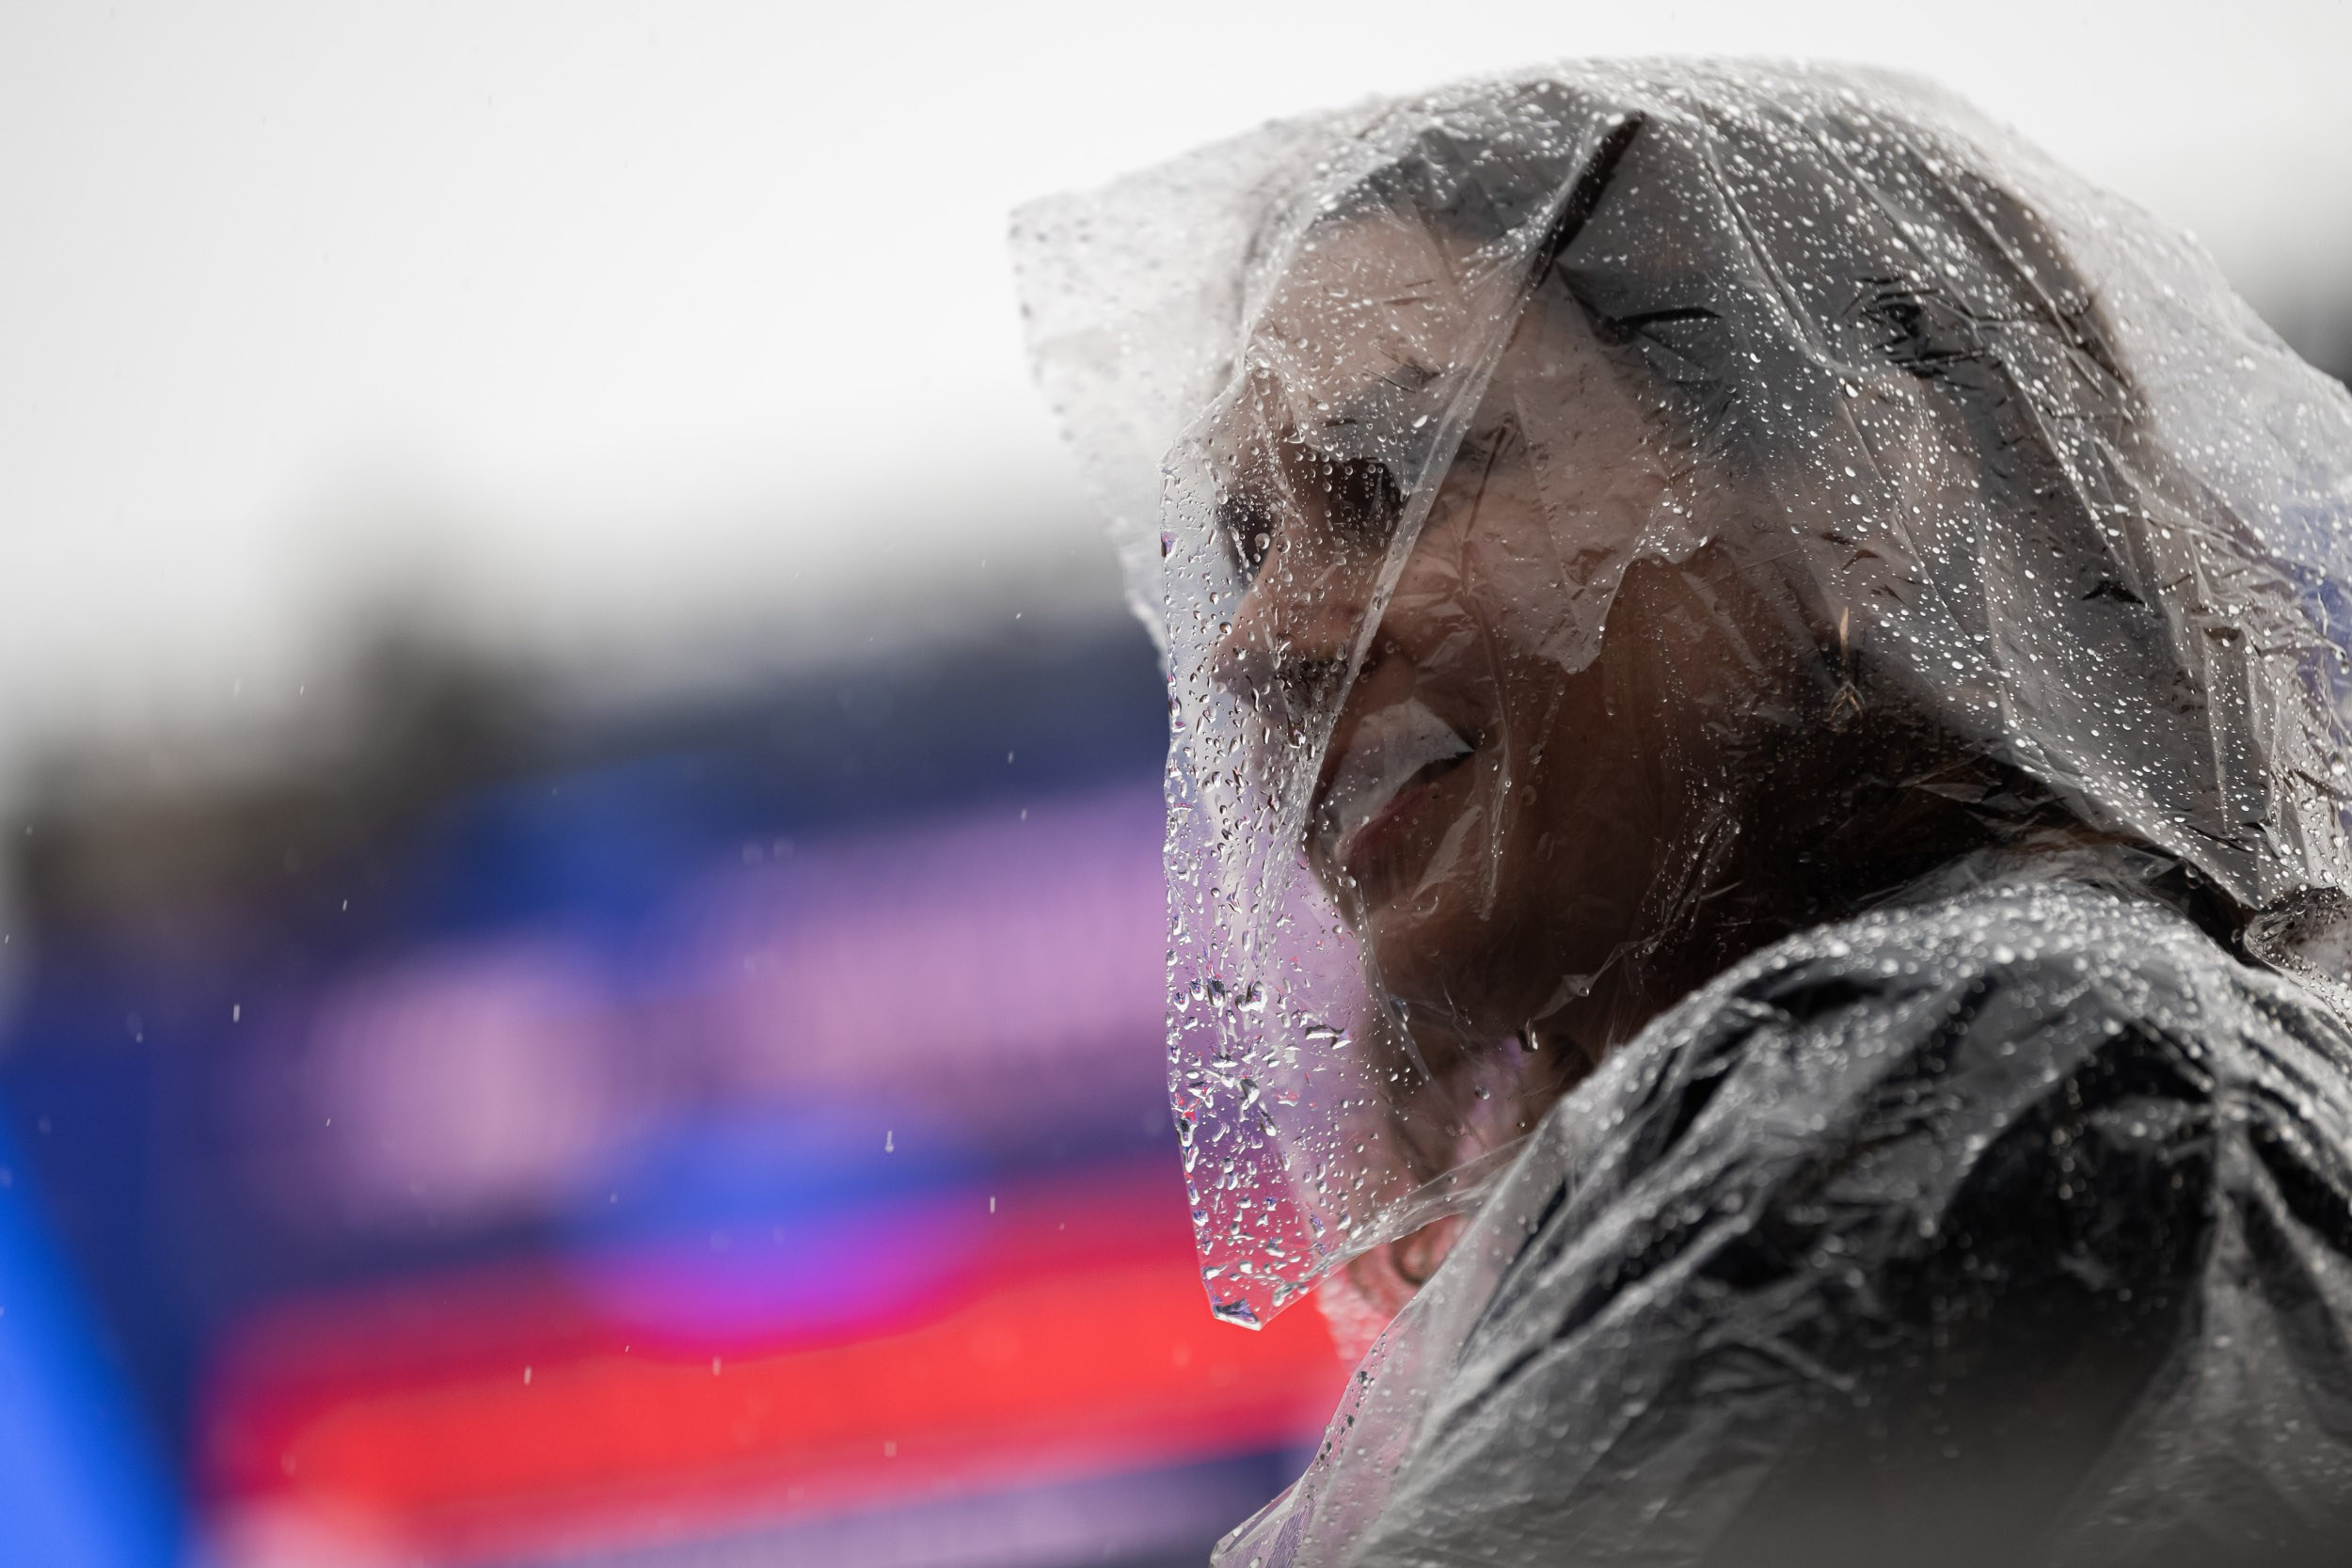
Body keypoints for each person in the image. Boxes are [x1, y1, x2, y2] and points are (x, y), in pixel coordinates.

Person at [1018, 60, 2352, 1565]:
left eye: (1397, 483)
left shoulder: (1977, 1048)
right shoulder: (1998, 1042)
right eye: (1250, 543)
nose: (1256, 646)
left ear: (1863, 490)